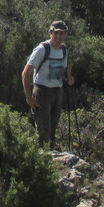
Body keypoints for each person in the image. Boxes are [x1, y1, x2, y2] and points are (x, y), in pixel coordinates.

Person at [22, 20, 75, 148]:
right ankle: (44, 157)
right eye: (57, 33)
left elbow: (61, 71)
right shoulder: (42, 49)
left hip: (57, 91)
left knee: (53, 127)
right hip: (42, 92)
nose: (59, 36)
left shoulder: (63, 49)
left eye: (63, 33)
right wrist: (29, 97)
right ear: (50, 32)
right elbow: (25, 73)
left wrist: (69, 78)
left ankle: (52, 151)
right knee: (43, 129)